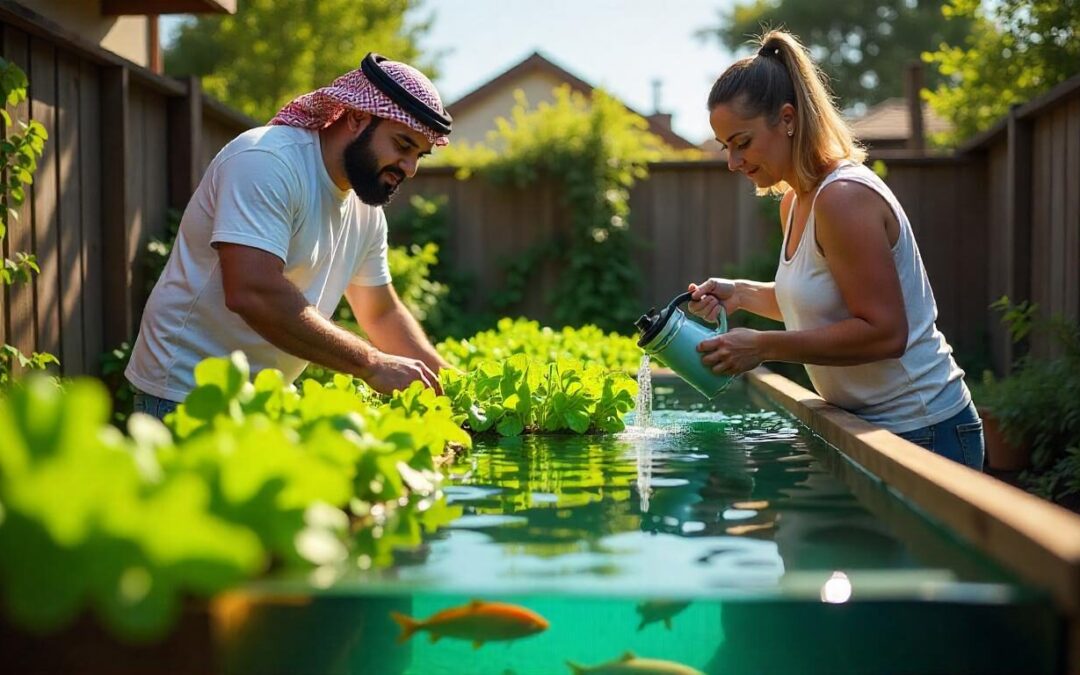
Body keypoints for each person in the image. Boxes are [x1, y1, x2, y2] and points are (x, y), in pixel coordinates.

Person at [687, 30, 983, 470]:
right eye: (726, 147)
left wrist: (764, 347)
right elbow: (820, 302)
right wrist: (743, 294)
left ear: (787, 119)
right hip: (869, 428)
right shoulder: (796, 201)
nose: (733, 162)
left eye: (742, 143)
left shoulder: (843, 197)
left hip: (925, 431)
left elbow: (885, 332)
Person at [125, 54, 452, 420]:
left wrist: (452, 387)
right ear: (358, 117)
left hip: (266, 401)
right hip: (185, 393)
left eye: (419, 156)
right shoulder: (267, 160)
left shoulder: (366, 212)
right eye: (403, 146)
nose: (409, 168)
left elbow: (381, 312)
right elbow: (252, 291)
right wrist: (372, 364)